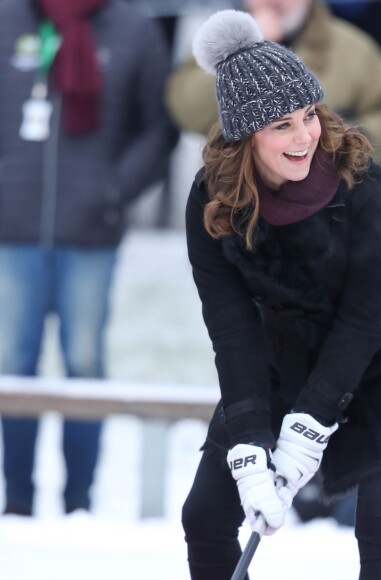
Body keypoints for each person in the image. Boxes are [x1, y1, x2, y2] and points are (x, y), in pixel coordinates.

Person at [181, 9, 381, 579]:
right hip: (283, 354)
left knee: (379, 519)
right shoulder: (214, 204)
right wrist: (250, 447)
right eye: (281, 126)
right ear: (244, 137)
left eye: (308, 115)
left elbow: (364, 317)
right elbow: (232, 331)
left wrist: (308, 427)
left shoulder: (359, 180)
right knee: (204, 513)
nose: (305, 136)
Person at [0, 0, 177, 516]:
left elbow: (158, 128)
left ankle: (80, 502)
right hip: (13, 229)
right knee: (14, 366)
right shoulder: (8, 19)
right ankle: (18, 502)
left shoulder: (133, 29)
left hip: (91, 235)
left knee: (84, 362)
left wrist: (115, 192)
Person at [165, 0, 381, 167]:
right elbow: (186, 111)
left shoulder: (354, 48)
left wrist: (344, 138)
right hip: (238, 205)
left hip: (332, 209)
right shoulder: (218, 45)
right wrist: (239, 53)